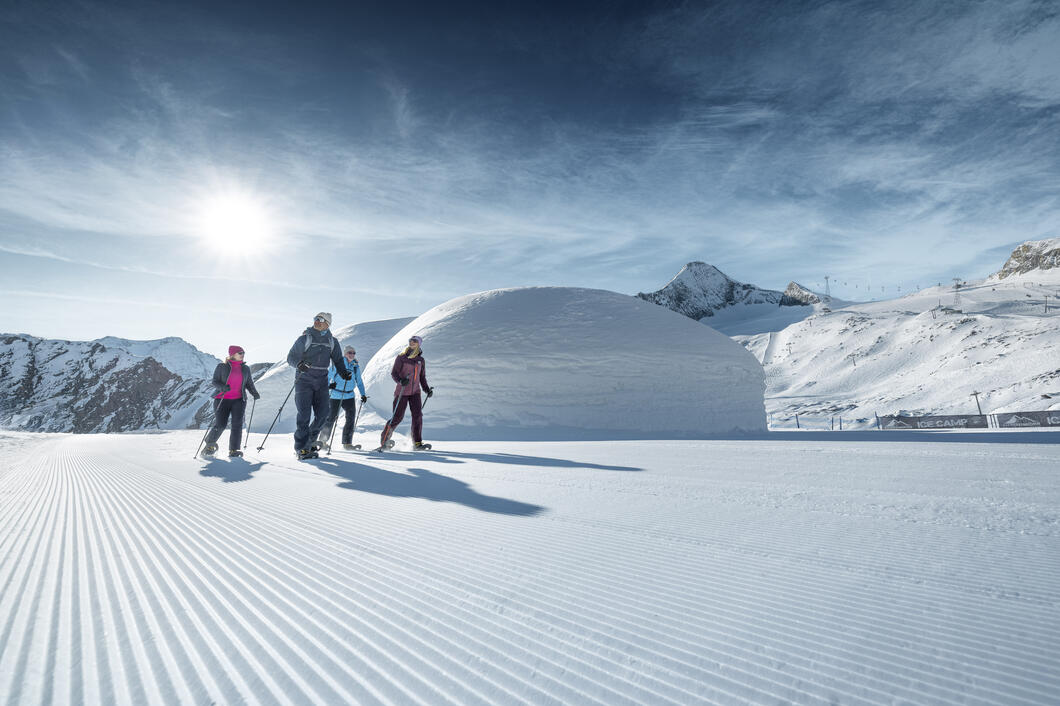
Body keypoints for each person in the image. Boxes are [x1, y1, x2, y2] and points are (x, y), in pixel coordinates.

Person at [286, 312, 349, 459]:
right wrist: (299, 364)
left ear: (327, 323)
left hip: (321, 381)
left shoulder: (332, 341)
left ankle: (310, 441)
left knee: (323, 414)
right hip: (304, 380)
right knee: (304, 415)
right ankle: (301, 447)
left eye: (320, 319)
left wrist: (343, 372)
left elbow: (338, 360)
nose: (316, 321)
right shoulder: (305, 338)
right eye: (315, 319)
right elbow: (291, 357)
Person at [202, 345, 260, 458]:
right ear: (232, 354)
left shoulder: (245, 368)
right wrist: (223, 387)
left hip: (239, 400)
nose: (242, 355)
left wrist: (254, 393)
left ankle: (233, 450)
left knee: (237, 425)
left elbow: (249, 384)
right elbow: (215, 381)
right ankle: (209, 444)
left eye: (243, 353)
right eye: (240, 353)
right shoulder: (222, 367)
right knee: (220, 424)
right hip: (222, 399)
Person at [380, 335, 434, 450]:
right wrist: (400, 381)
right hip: (402, 391)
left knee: (418, 416)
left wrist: (427, 389)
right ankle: (384, 440)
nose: (412, 342)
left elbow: (422, 377)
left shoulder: (420, 360)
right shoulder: (401, 357)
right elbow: (394, 373)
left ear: (419, 344)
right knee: (397, 417)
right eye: (410, 340)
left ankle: (417, 443)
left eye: (414, 341)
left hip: (415, 392)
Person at [321, 345, 368, 451]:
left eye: (353, 353)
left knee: (351, 418)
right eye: (349, 353)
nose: (352, 355)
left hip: (349, 395)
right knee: (331, 418)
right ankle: (322, 441)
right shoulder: (338, 363)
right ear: (345, 353)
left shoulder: (355, 366)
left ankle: (347, 443)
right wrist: (328, 387)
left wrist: (363, 394)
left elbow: (359, 381)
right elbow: (328, 377)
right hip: (336, 395)